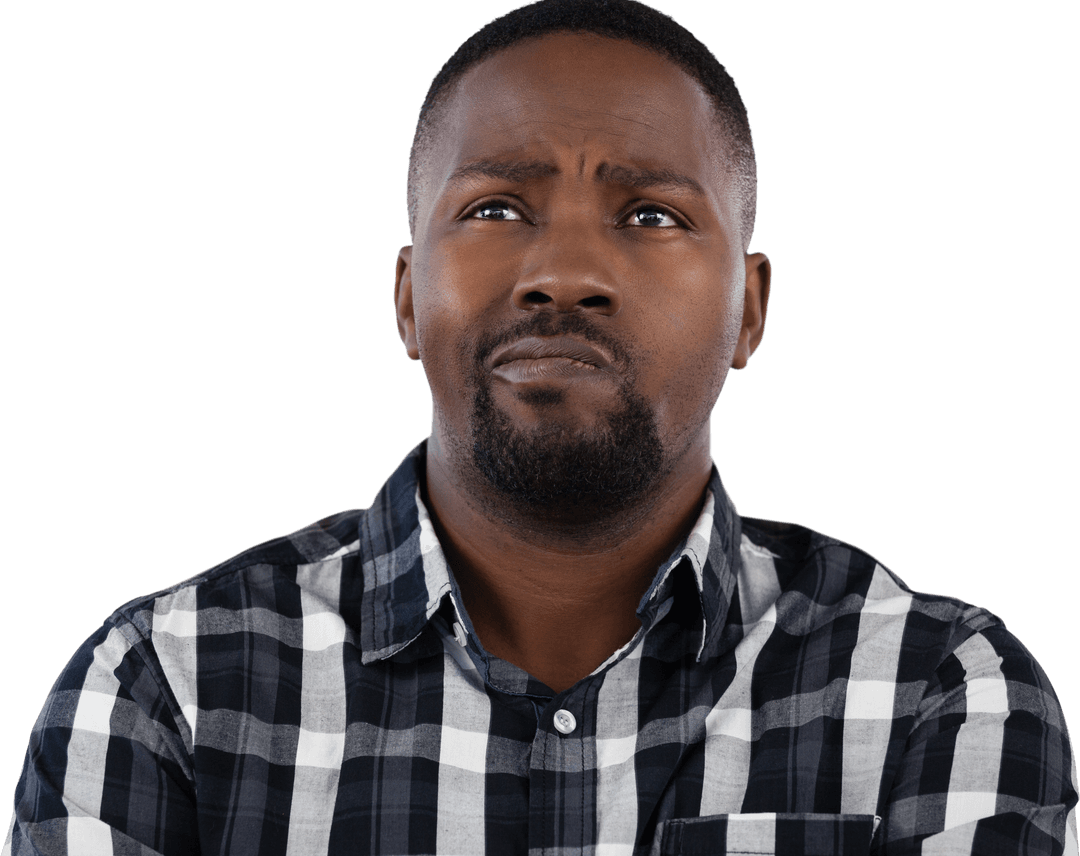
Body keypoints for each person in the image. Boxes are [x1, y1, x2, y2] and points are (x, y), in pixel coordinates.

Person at [4, 0, 1076, 853]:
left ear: (749, 308)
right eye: (496, 209)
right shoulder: (169, 691)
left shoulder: (935, 690)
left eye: (651, 213)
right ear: (406, 298)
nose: (564, 273)